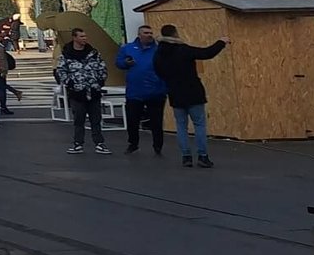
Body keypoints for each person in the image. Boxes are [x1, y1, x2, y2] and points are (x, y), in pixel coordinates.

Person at [153, 23, 228, 168]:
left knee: (181, 126)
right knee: (199, 125)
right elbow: (206, 53)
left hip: (175, 93)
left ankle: (186, 157)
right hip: (193, 92)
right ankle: (202, 156)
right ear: (175, 33)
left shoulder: (159, 54)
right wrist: (221, 42)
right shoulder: (183, 49)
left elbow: (158, 72)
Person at [55, 28, 110, 155]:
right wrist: (70, 83)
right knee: (79, 120)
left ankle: (99, 143)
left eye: (85, 36)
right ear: (74, 38)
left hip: (93, 91)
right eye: (81, 36)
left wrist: (100, 81)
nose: (84, 38)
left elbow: (102, 68)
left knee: (96, 119)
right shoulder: (66, 55)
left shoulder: (93, 53)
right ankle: (78, 143)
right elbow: (61, 71)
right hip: (77, 92)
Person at [115, 24, 168, 155]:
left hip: (155, 91)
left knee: (156, 122)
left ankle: (158, 146)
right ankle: (133, 144)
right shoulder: (128, 48)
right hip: (135, 91)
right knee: (132, 120)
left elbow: (167, 66)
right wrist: (125, 63)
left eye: (150, 33)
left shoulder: (159, 49)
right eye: (146, 33)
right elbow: (118, 62)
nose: (149, 35)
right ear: (139, 35)